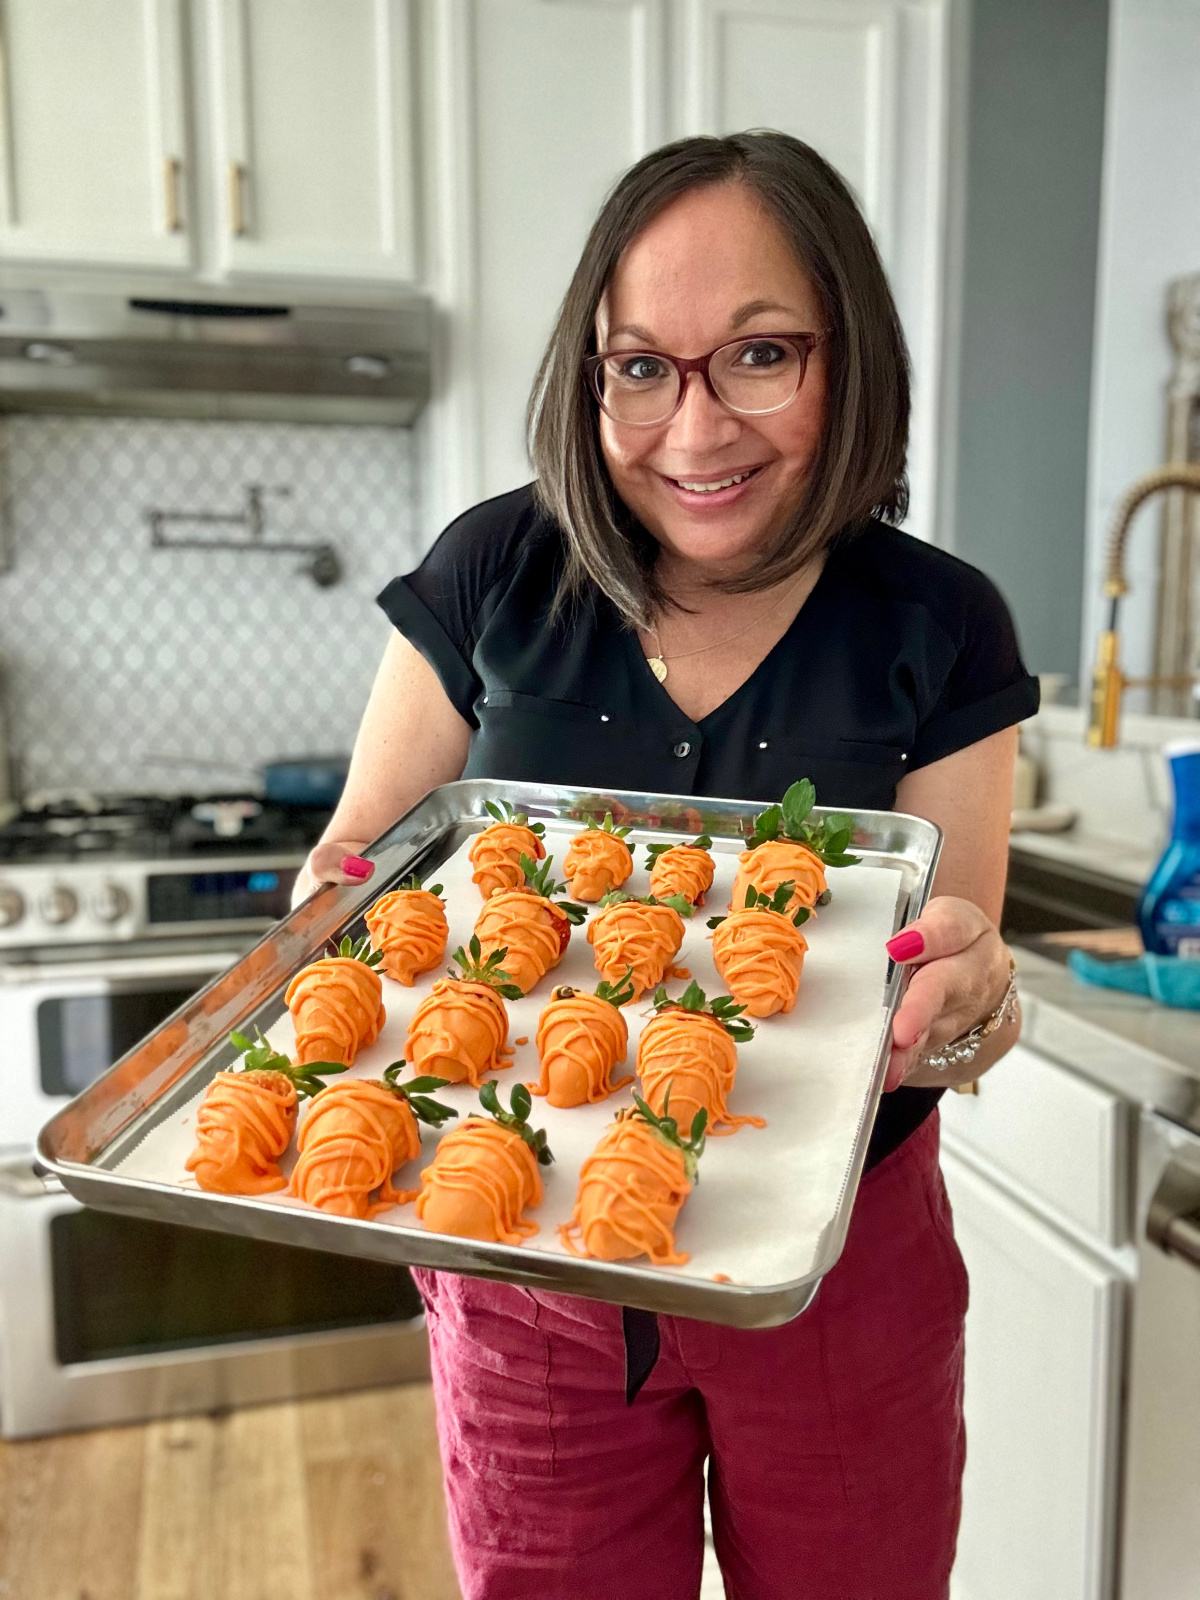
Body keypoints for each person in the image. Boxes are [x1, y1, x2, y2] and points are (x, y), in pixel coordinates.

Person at [294, 132, 1037, 1600]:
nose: (694, 432)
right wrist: (339, 917)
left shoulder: (942, 625)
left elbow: (961, 1005)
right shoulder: (490, 574)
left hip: (831, 1276)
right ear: (592, 377)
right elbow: (358, 878)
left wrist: (979, 1000)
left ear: (851, 362)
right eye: (642, 367)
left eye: (761, 355)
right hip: (518, 1249)